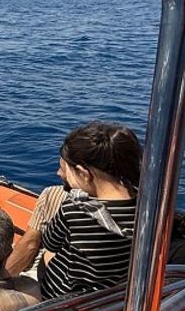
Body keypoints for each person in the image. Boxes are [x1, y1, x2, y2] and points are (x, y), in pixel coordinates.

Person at [39, 121, 143, 300]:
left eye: (64, 169)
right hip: (112, 298)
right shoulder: (145, 207)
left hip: (64, 299)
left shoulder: (74, 209)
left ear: (84, 174)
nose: (59, 174)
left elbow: (50, 243)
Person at [5, 183, 68, 279]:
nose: (59, 174)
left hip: (42, 277)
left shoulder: (54, 194)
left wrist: (1, 279)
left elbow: (30, 245)